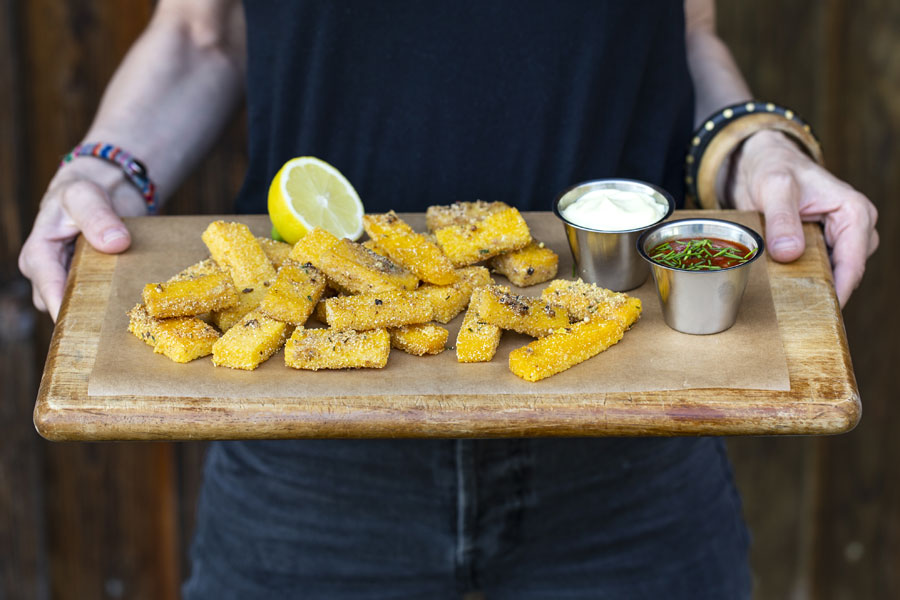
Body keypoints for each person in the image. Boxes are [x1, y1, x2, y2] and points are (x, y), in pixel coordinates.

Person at [19, 1, 879, 598]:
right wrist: (105, 169)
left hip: (633, 430)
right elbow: (200, 33)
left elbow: (684, 33)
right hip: (307, 443)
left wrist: (761, 144)